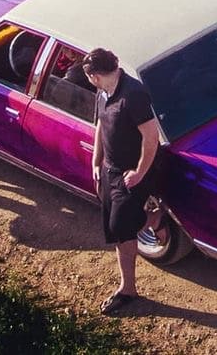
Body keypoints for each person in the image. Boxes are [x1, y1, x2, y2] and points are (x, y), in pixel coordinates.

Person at [83, 47, 165, 316]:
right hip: (109, 170)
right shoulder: (103, 92)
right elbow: (100, 127)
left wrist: (140, 172)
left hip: (132, 173)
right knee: (115, 225)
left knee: (120, 227)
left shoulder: (133, 94)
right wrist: (97, 162)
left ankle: (127, 289)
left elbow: (151, 137)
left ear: (93, 75)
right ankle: (154, 221)